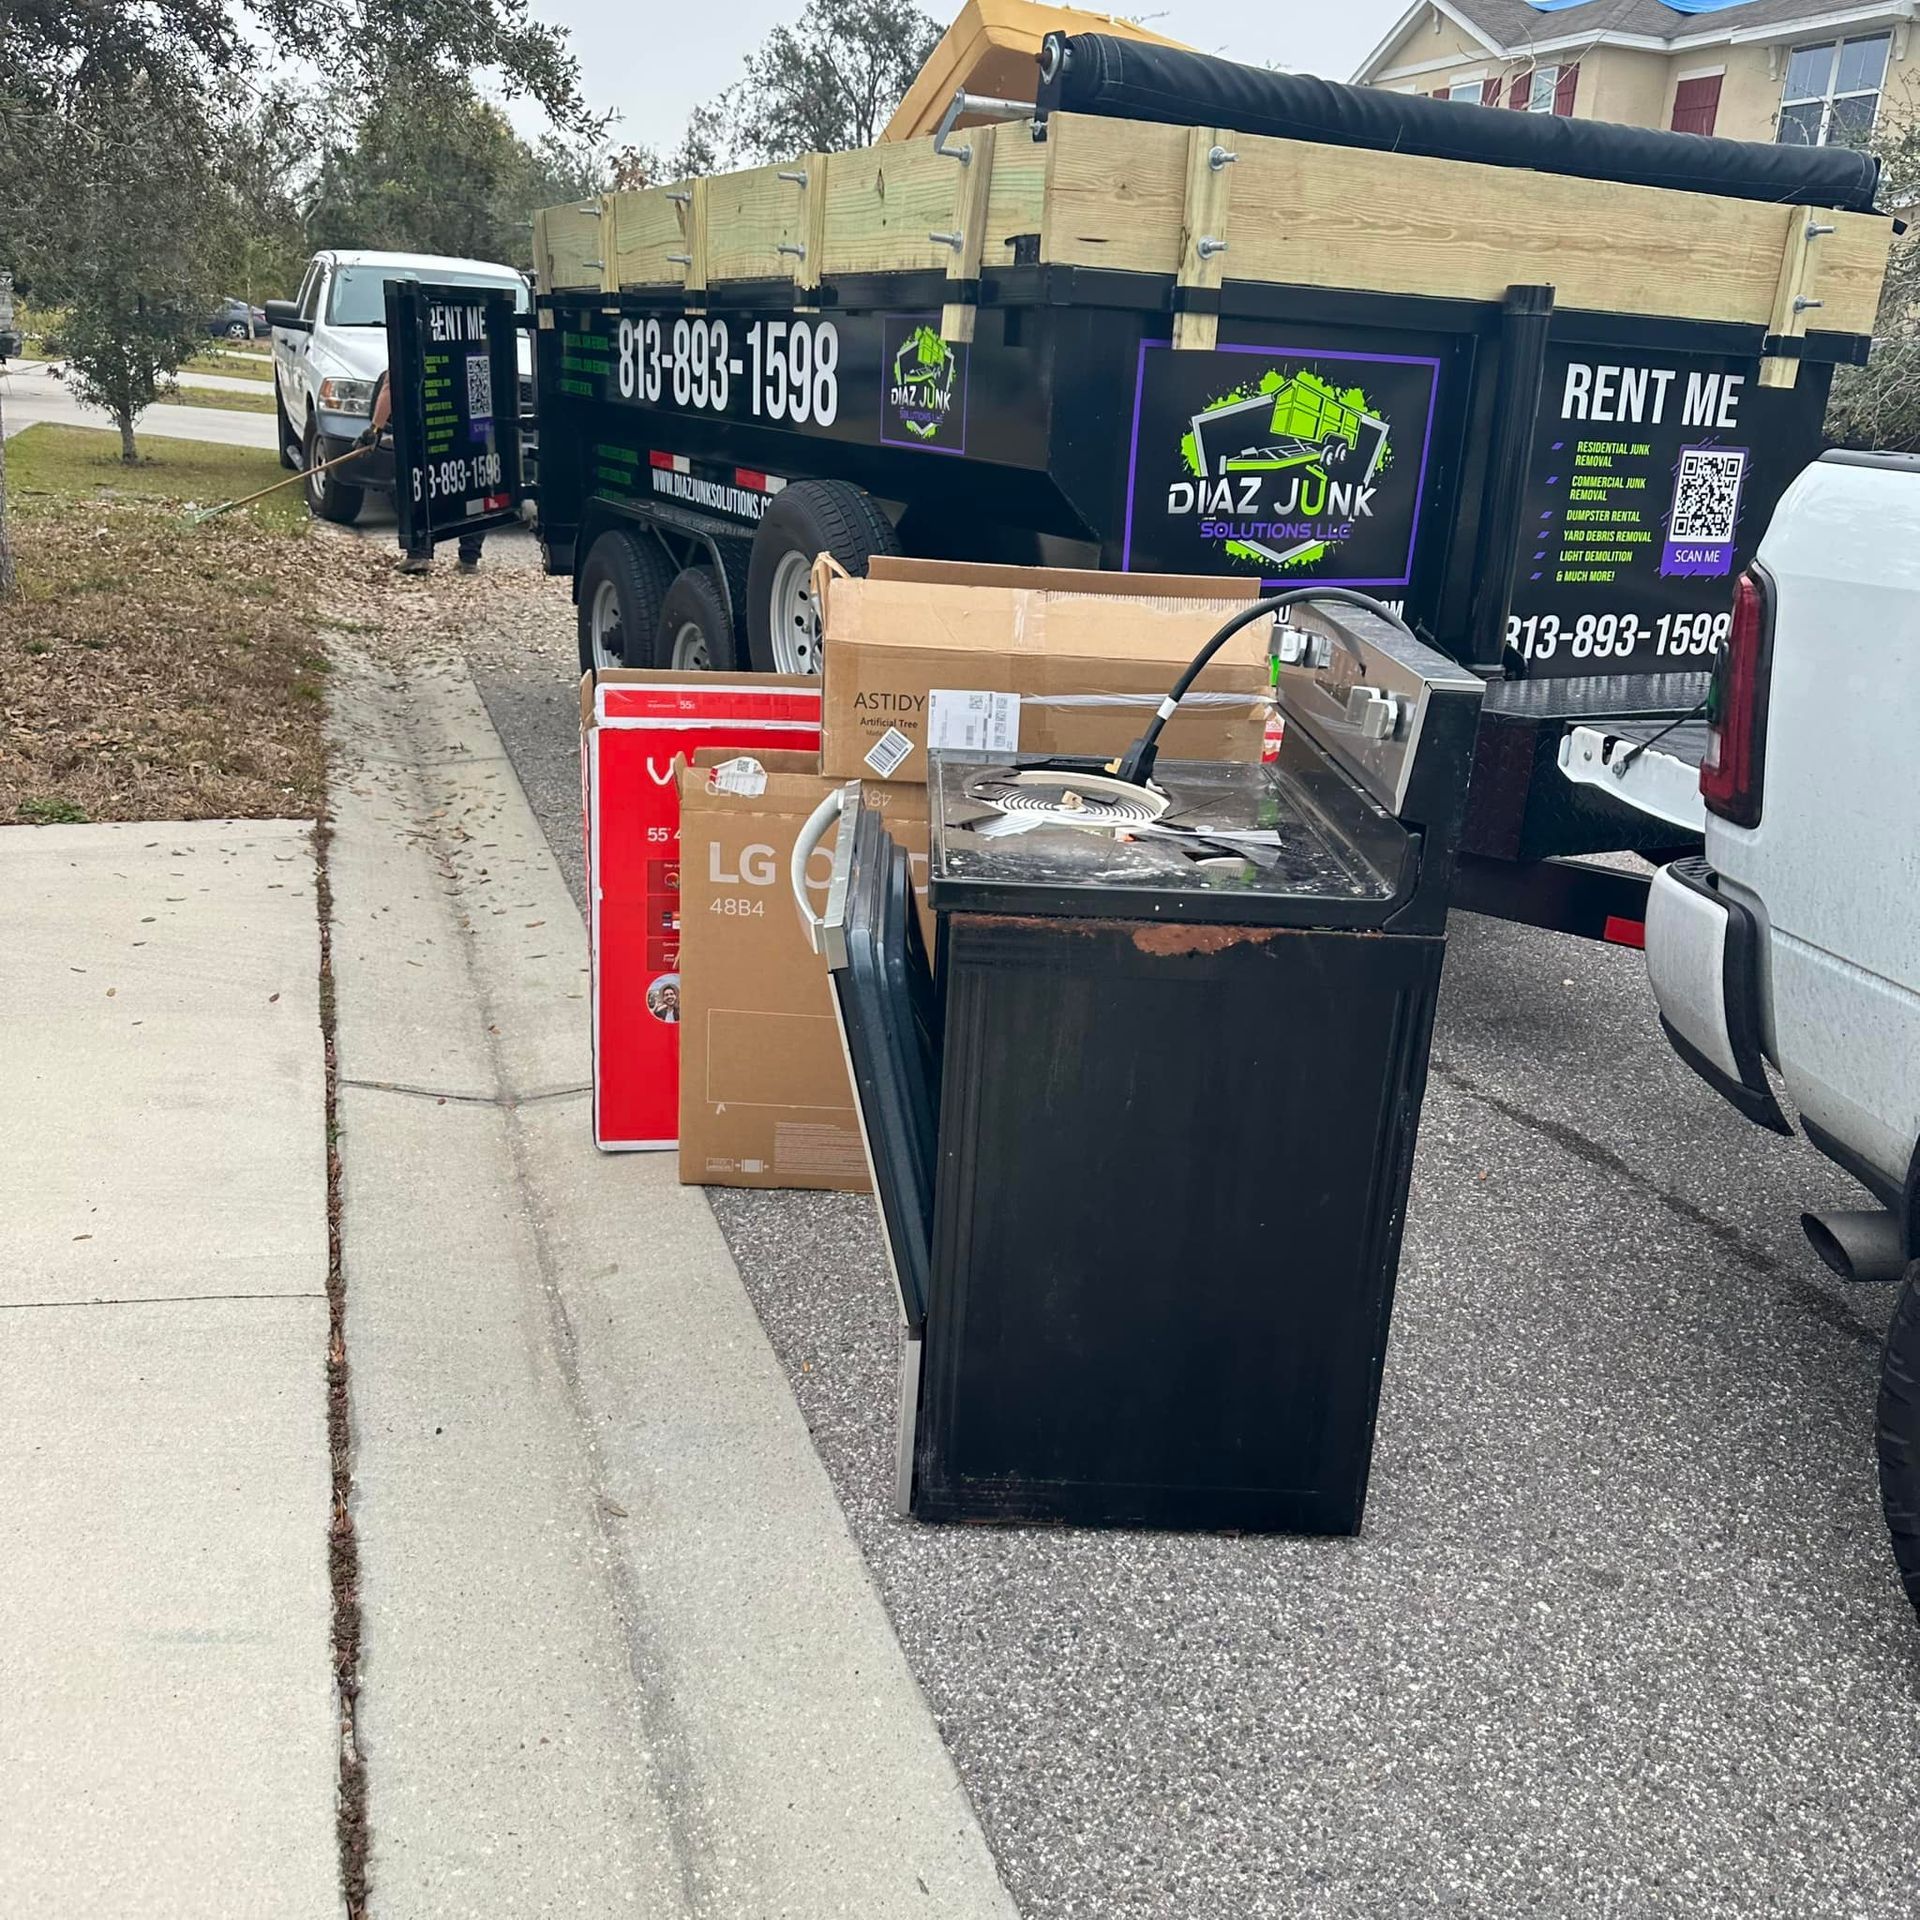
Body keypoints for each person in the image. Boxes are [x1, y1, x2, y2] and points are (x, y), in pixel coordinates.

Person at [363, 373, 484, 575]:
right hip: (468, 425)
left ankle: (419, 554)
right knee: (472, 486)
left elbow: (392, 384)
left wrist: (375, 429)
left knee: (420, 486)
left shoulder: (409, 344)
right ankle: (469, 558)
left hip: (427, 429)